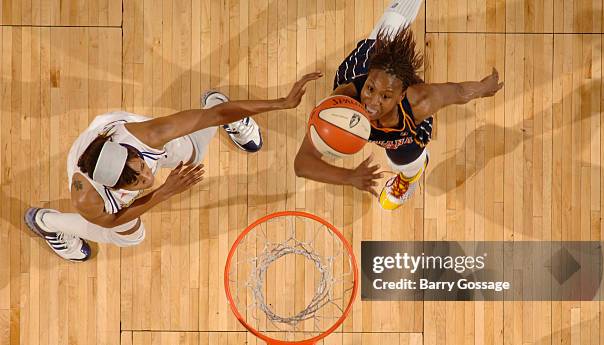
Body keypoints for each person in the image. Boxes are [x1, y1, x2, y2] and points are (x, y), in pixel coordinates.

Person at [25, 72, 322, 262]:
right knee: (131, 236)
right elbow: (109, 221)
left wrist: (281, 103)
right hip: (99, 197)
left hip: (110, 128)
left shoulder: (145, 136)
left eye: (140, 166)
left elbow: (217, 116)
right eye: (136, 182)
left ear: (131, 151)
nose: (148, 176)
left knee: (191, 153)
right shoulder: (88, 198)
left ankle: (217, 101)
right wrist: (163, 192)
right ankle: (47, 223)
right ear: (115, 188)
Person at [294, 0, 503, 210]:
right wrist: (349, 176)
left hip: (401, 132)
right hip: (362, 66)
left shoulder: (420, 103)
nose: (372, 103)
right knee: (388, 30)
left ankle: (410, 176)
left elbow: (458, 92)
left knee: (405, 159)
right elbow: (302, 164)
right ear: (366, 81)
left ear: (400, 95)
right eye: (370, 89)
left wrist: (484, 88)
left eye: (385, 97)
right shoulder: (342, 103)